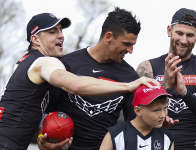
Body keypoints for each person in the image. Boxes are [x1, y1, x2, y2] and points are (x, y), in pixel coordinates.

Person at [0, 13, 158, 150]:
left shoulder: (30, 62)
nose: (61, 35)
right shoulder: (44, 62)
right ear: (35, 39)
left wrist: (157, 113)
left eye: (61, 30)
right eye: (52, 31)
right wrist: (128, 86)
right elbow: (75, 85)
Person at [38, 7, 173, 150]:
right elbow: (43, 111)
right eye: (127, 44)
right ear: (108, 36)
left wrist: (154, 121)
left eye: (133, 45)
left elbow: (134, 123)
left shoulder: (130, 77)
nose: (130, 51)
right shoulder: (67, 64)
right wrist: (42, 138)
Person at [136, 8, 196, 149]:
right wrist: (165, 86)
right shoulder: (148, 67)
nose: (184, 40)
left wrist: (185, 93)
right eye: (179, 33)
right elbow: (134, 114)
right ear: (169, 30)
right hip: (155, 145)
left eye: (190, 35)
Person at [99, 83, 174, 150]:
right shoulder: (116, 135)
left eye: (165, 108)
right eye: (156, 110)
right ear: (138, 110)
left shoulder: (167, 137)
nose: (163, 115)